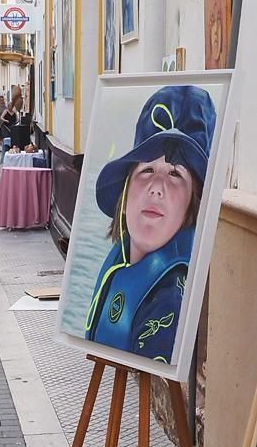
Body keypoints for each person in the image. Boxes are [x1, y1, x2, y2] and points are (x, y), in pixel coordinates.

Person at [84, 84, 217, 362]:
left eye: (175, 174)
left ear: (193, 202)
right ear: (126, 188)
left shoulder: (171, 299)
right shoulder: (121, 257)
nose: (157, 187)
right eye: (147, 170)